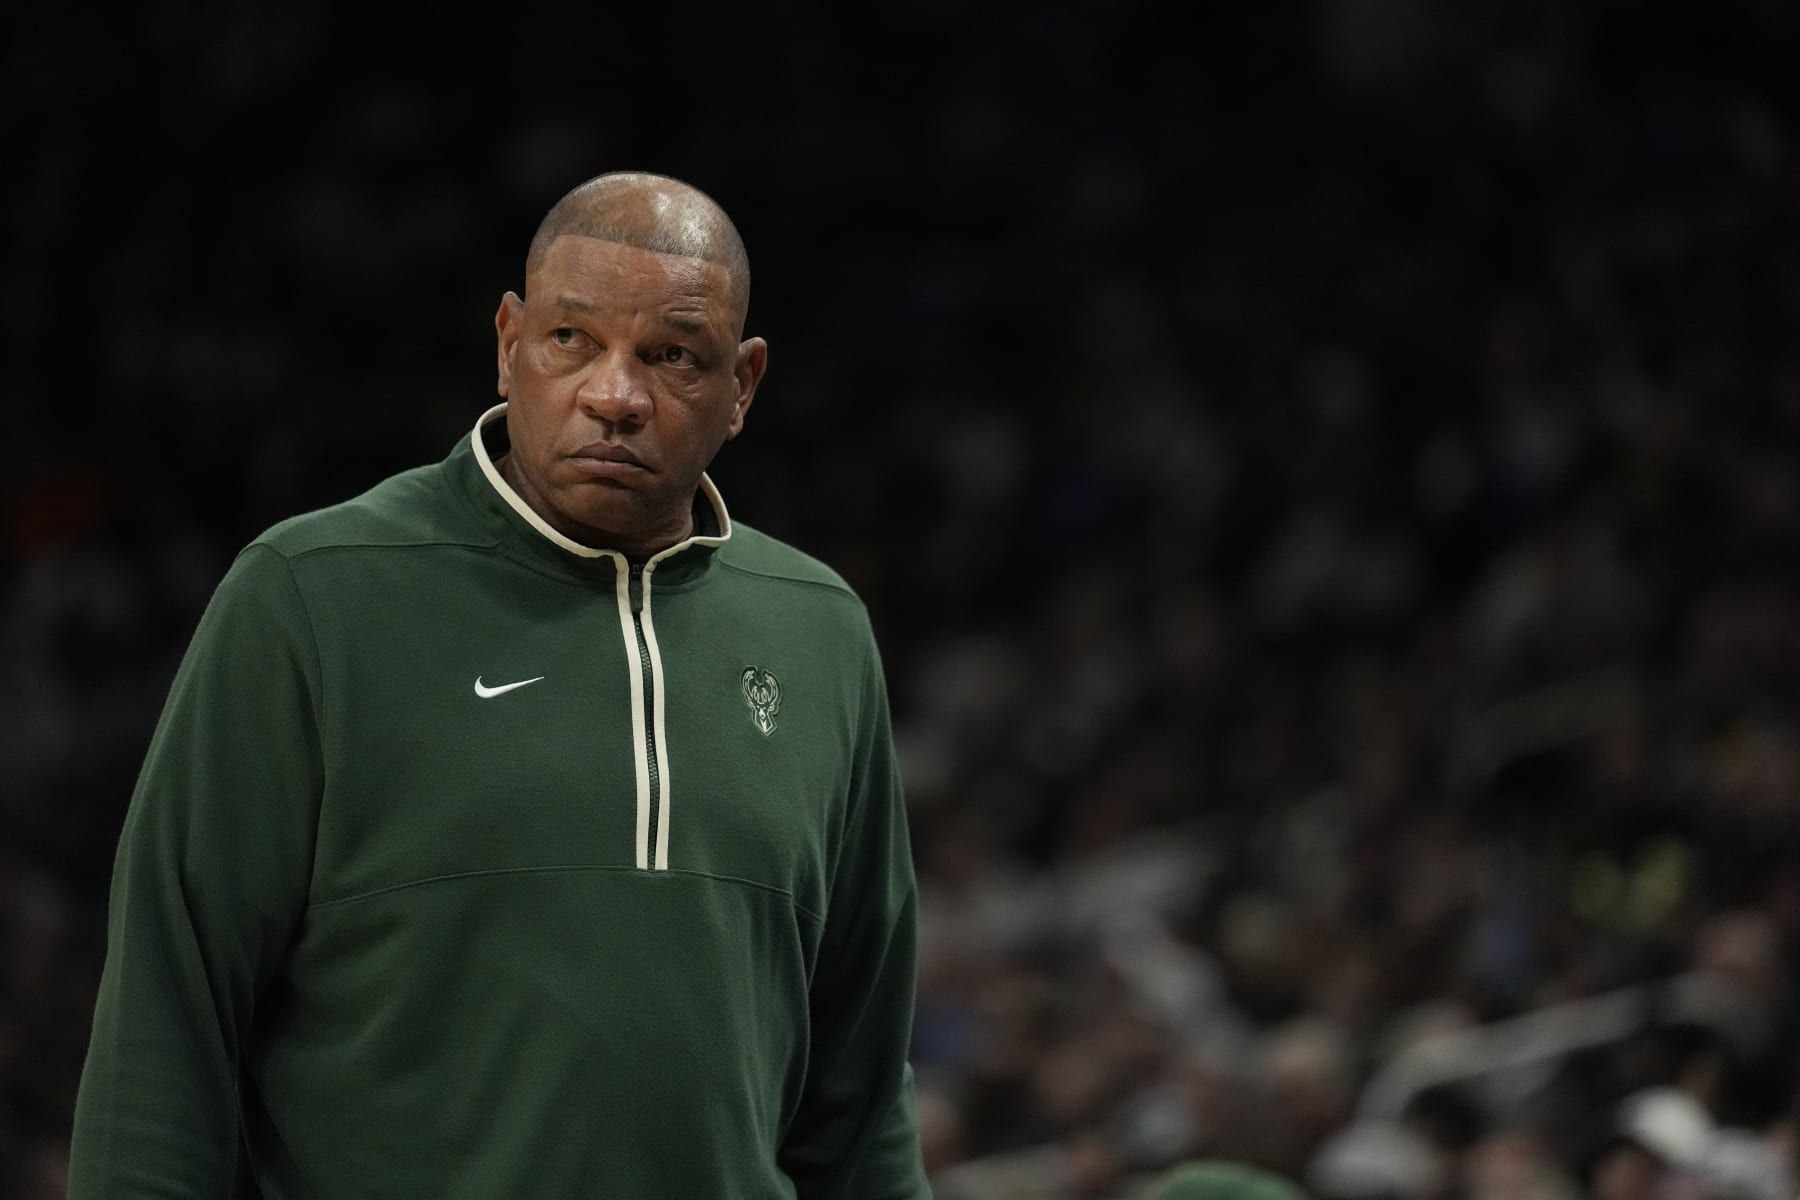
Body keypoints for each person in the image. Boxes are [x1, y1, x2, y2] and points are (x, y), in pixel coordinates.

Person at [67, 171, 931, 1198]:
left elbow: (862, 1099)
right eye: (574, 340)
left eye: (671, 356)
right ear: (509, 341)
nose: (615, 395)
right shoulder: (311, 594)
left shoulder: (818, 629)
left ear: (741, 384)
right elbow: (169, 1016)